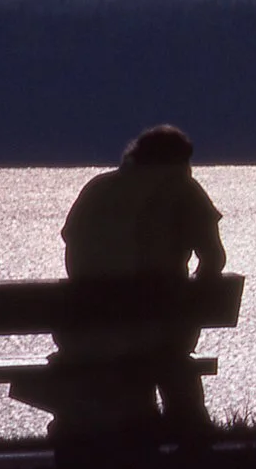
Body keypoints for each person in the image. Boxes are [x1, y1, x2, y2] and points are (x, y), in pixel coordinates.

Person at [48, 125, 227, 452]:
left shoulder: (98, 188)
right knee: (169, 356)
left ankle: (139, 433)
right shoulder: (182, 189)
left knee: (141, 345)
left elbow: (73, 249)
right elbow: (214, 258)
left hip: (86, 331)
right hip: (156, 331)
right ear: (180, 161)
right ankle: (193, 442)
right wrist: (192, 301)